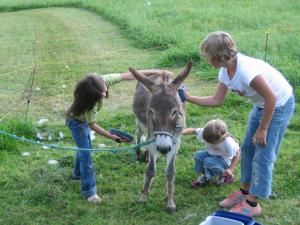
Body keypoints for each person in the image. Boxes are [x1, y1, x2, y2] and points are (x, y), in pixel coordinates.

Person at [183, 31, 294, 216]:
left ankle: (252, 204)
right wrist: (188, 97)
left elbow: (272, 98)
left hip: (279, 105)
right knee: (248, 148)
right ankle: (244, 192)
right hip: (262, 105)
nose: (206, 58)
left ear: (218, 55)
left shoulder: (246, 70)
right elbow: (217, 100)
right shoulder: (225, 71)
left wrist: (263, 128)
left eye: (207, 54)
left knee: (263, 153)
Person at [66, 69, 172, 204]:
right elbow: (92, 125)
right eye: (100, 94)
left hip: (83, 122)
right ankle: (90, 192)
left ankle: (77, 175)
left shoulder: (102, 80)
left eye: (104, 90)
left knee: (84, 149)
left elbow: (129, 75)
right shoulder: (90, 104)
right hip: (77, 124)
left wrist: (157, 71)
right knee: (86, 154)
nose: (104, 94)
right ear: (91, 95)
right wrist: (112, 137)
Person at [182, 119, 240, 187]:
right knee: (198, 155)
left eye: (211, 142)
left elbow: (238, 153)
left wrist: (230, 169)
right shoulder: (207, 133)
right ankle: (205, 176)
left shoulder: (228, 143)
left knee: (208, 161)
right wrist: (180, 132)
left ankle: (226, 176)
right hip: (211, 155)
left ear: (219, 140)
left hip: (224, 161)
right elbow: (193, 130)